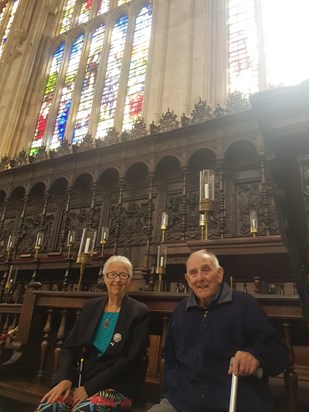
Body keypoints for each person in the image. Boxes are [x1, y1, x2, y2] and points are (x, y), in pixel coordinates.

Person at [148, 249, 289, 412]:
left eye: (206, 270)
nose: (200, 278)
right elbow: (171, 361)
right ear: (188, 279)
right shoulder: (181, 310)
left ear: (219, 274)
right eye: (193, 273)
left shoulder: (245, 305)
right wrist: (168, 395)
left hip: (234, 403)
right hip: (181, 403)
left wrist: (255, 355)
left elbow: (279, 352)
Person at [36, 255, 150, 412]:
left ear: (129, 279)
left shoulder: (139, 312)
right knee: (49, 406)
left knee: (82, 410)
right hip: (81, 379)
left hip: (117, 385)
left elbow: (130, 360)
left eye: (123, 275)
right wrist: (65, 378)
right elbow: (70, 347)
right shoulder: (91, 307)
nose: (117, 280)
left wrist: (90, 388)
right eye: (112, 274)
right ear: (104, 277)